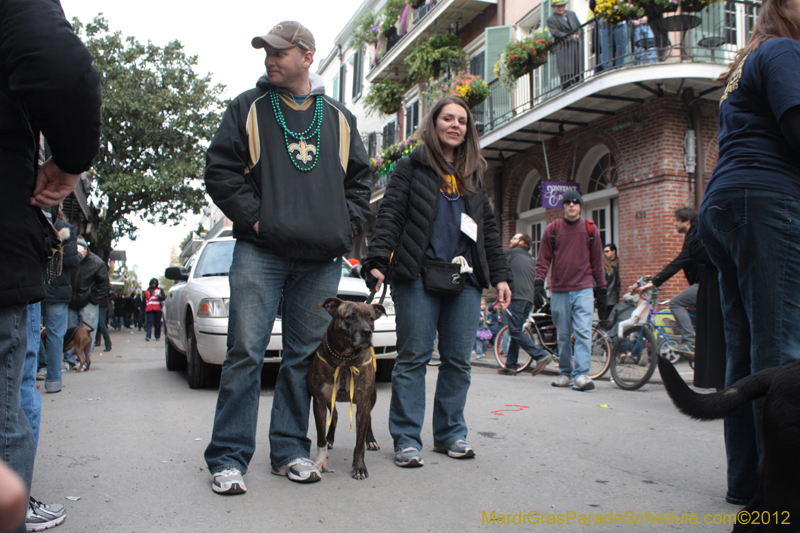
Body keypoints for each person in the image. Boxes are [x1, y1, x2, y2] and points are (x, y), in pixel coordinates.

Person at [203, 21, 372, 494]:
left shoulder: (338, 117)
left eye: (279, 52)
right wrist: (258, 220)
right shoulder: (248, 107)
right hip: (261, 251)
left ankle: (290, 451)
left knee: (302, 358)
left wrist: (347, 226)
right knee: (245, 354)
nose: (269, 60)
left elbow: (360, 181)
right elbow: (220, 171)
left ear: (307, 56)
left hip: (321, 259)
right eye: (266, 53)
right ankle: (229, 457)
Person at [364, 96, 512, 468]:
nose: (455, 125)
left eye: (462, 121)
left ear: (468, 130)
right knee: (413, 357)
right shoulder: (410, 167)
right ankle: (407, 438)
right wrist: (379, 260)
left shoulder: (474, 173)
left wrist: (502, 275)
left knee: (458, 361)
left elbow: (488, 232)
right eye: (448, 118)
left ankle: (450, 435)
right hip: (416, 273)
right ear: (434, 123)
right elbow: (392, 215)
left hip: (465, 277)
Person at [0, 1, 101, 532]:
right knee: (10, 402)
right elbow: (62, 69)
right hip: (23, 280)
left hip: (50, 292)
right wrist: (71, 157)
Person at [697, 0, 800, 506]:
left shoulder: (745, 65)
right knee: (780, 352)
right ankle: (776, 493)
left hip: (723, 205)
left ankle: (747, 482)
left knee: (745, 356)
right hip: (765, 199)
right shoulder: (783, 51)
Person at [534, 190, 606, 391]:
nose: (572, 205)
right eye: (568, 202)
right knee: (564, 335)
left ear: (580, 205)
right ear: (563, 206)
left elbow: (597, 262)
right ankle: (565, 373)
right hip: (559, 290)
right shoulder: (553, 229)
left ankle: (581, 375)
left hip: (583, 289)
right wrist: (538, 282)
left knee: (583, 332)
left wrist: (602, 289)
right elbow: (543, 260)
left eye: (575, 202)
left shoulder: (590, 229)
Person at [640, 207, 701, 354]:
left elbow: (679, 262)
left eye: (677, 221)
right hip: (704, 283)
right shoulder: (694, 235)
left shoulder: (694, 238)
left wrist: (655, 281)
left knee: (676, 302)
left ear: (687, 221)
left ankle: (690, 342)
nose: (674, 224)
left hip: (705, 284)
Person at [40, 207, 79, 394]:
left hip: (34, 284)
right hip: (57, 286)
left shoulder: (33, 219)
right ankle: (53, 380)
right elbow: (71, 262)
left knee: (31, 330)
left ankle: (29, 378)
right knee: (56, 334)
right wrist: (78, 254)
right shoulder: (65, 228)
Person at [498, 233, 549, 375]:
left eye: (513, 238)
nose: (510, 240)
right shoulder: (532, 259)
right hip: (528, 299)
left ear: (520, 242)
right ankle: (511, 366)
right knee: (517, 330)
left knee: (514, 330)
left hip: (516, 297)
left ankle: (540, 355)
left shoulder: (510, 253)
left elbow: (497, 268)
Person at [67, 237, 110, 368]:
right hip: (70, 302)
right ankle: (69, 360)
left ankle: (85, 359)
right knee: (70, 332)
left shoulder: (96, 263)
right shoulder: (70, 260)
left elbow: (104, 284)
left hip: (87, 302)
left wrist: (93, 300)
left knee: (86, 332)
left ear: (86, 249)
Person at [547, 0, 583, 90]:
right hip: (564, 48)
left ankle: (579, 81)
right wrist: (571, 37)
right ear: (554, 8)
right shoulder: (551, 19)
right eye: (558, 6)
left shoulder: (572, 14)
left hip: (576, 46)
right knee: (566, 70)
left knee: (577, 67)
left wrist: (578, 35)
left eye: (562, 6)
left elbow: (579, 27)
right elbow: (556, 33)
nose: (560, 8)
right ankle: (566, 86)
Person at [600, 243, 620, 322]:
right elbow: (618, 284)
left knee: (605, 321)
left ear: (614, 251)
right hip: (612, 298)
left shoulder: (617, 264)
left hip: (605, 298)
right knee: (611, 321)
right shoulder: (613, 268)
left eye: (607, 251)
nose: (606, 253)